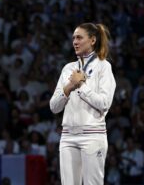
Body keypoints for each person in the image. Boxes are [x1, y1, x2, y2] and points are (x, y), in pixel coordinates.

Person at [49, 22, 116, 185]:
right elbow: (54, 106)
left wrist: (81, 86)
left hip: (92, 135)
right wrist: (70, 86)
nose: (75, 42)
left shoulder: (103, 67)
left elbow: (104, 103)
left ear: (92, 40)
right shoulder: (68, 69)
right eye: (73, 38)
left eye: (79, 37)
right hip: (68, 136)